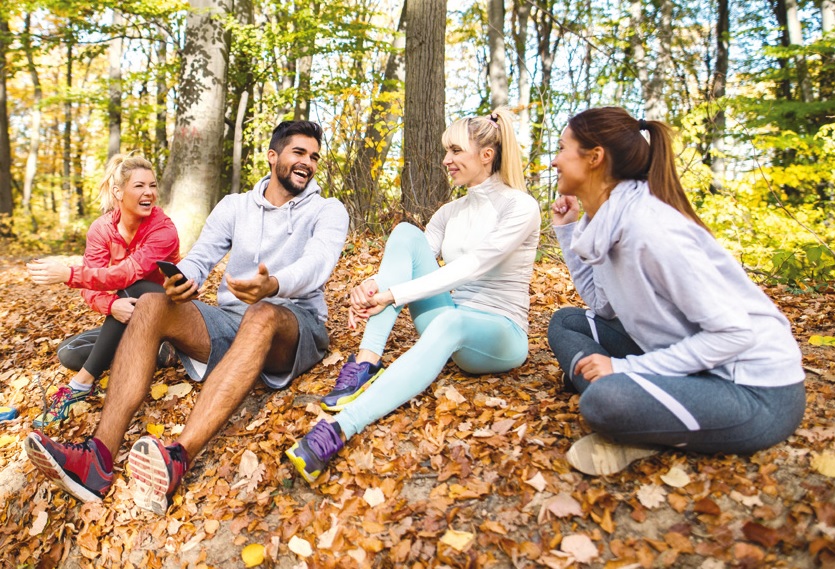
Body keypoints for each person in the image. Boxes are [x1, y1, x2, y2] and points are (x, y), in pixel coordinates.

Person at [25, 121, 350, 513]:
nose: (308, 163)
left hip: (295, 324)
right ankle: (97, 459)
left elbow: (319, 264)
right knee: (152, 302)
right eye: (299, 153)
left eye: (314, 156)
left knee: (263, 314)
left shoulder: (328, 210)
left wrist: (275, 284)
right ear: (273, 156)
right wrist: (184, 281)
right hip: (231, 322)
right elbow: (199, 256)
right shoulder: (235, 206)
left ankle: (179, 456)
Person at [285, 108, 541, 483]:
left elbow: (471, 266)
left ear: (487, 155)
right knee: (406, 232)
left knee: (451, 320)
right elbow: (406, 259)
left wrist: (392, 295)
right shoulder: (451, 211)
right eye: (445, 151)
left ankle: (339, 430)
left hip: (501, 334)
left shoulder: (521, 206)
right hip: (450, 319)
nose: (446, 160)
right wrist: (371, 287)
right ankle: (366, 365)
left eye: (455, 151)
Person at [547, 107, 805, 476]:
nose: (555, 160)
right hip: (690, 367)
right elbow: (602, 307)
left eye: (562, 148)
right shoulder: (607, 219)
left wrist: (623, 368)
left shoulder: (651, 230)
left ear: (594, 157)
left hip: (755, 391)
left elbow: (734, 333)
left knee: (604, 401)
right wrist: (568, 231)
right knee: (567, 321)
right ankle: (651, 412)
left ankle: (638, 419)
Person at [26, 154, 180, 427]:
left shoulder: (163, 229)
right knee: (68, 352)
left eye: (152, 185)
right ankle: (157, 352)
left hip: (170, 312)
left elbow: (125, 274)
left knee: (132, 286)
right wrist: (110, 307)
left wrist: (68, 273)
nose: (149, 193)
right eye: (140, 186)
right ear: (118, 192)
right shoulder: (101, 229)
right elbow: (90, 289)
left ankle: (81, 384)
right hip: (133, 317)